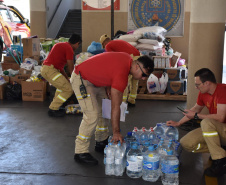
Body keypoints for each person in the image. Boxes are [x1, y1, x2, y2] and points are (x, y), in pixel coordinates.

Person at [71, 52, 154, 165]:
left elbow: (108, 67)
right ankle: (80, 152)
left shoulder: (127, 59)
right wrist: (116, 132)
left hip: (96, 82)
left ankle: (101, 140)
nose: (143, 79)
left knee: (104, 109)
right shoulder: (122, 74)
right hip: (82, 79)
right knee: (92, 115)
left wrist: (109, 85)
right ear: (136, 67)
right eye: (144, 75)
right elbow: (115, 107)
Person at [166, 68, 226, 177]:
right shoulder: (203, 93)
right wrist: (178, 123)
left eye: (198, 85)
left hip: (223, 128)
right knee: (185, 143)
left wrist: (197, 116)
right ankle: (220, 151)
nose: (196, 87)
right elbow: (195, 109)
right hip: (218, 130)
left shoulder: (223, 90)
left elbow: (221, 118)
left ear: (207, 83)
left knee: (206, 123)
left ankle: (219, 161)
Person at [41, 33, 82, 117]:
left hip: (47, 69)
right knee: (69, 89)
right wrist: (75, 79)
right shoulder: (69, 48)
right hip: (51, 70)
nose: (77, 48)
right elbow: (70, 67)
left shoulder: (60, 45)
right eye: (78, 45)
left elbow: (61, 68)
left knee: (62, 87)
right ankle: (53, 108)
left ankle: (58, 106)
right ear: (77, 43)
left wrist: (67, 79)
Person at [100, 34, 140, 106]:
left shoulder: (108, 45)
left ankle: (123, 102)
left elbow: (110, 59)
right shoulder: (118, 42)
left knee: (125, 79)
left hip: (130, 58)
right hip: (138, 57)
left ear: (104, 43)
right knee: (134, 80)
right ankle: (132, 100)